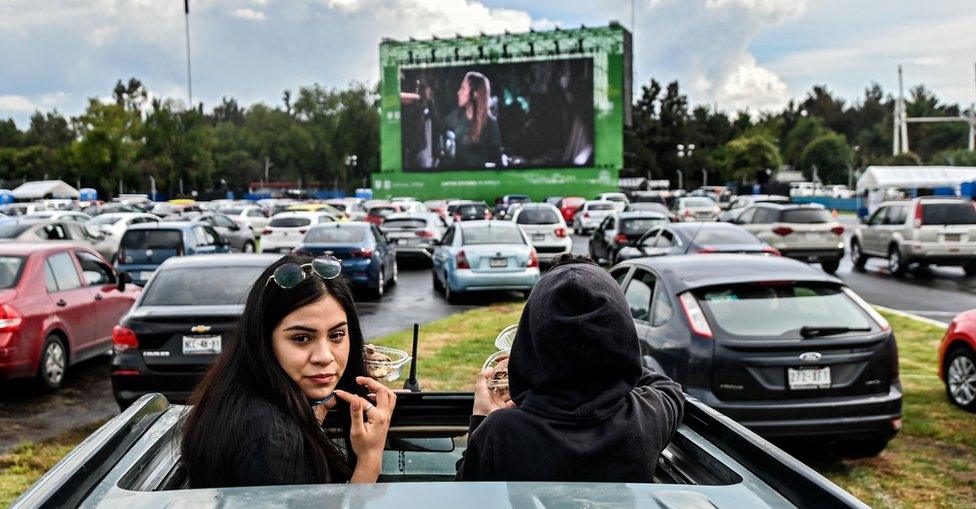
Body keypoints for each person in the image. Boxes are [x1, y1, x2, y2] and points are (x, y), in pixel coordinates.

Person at [456, 255, 684, 482]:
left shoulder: (499, 432)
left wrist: (481, 419)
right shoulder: (648, 416)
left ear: (529, 340)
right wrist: (610, 358)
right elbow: (666, 386)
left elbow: (466, 492)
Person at [181, 254, 397, 487]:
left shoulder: (243, 399)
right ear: (264, 339)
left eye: (336, 335)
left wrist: (312, 416)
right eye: (301, 338)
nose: (324, 356)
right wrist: (370, 459)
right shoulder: (272, 439)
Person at [444, 71, 502, 168]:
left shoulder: (490, 124)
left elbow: (498, 162)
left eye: (463, 88)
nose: (458, 92)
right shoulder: (454, 117)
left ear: (474, 94)